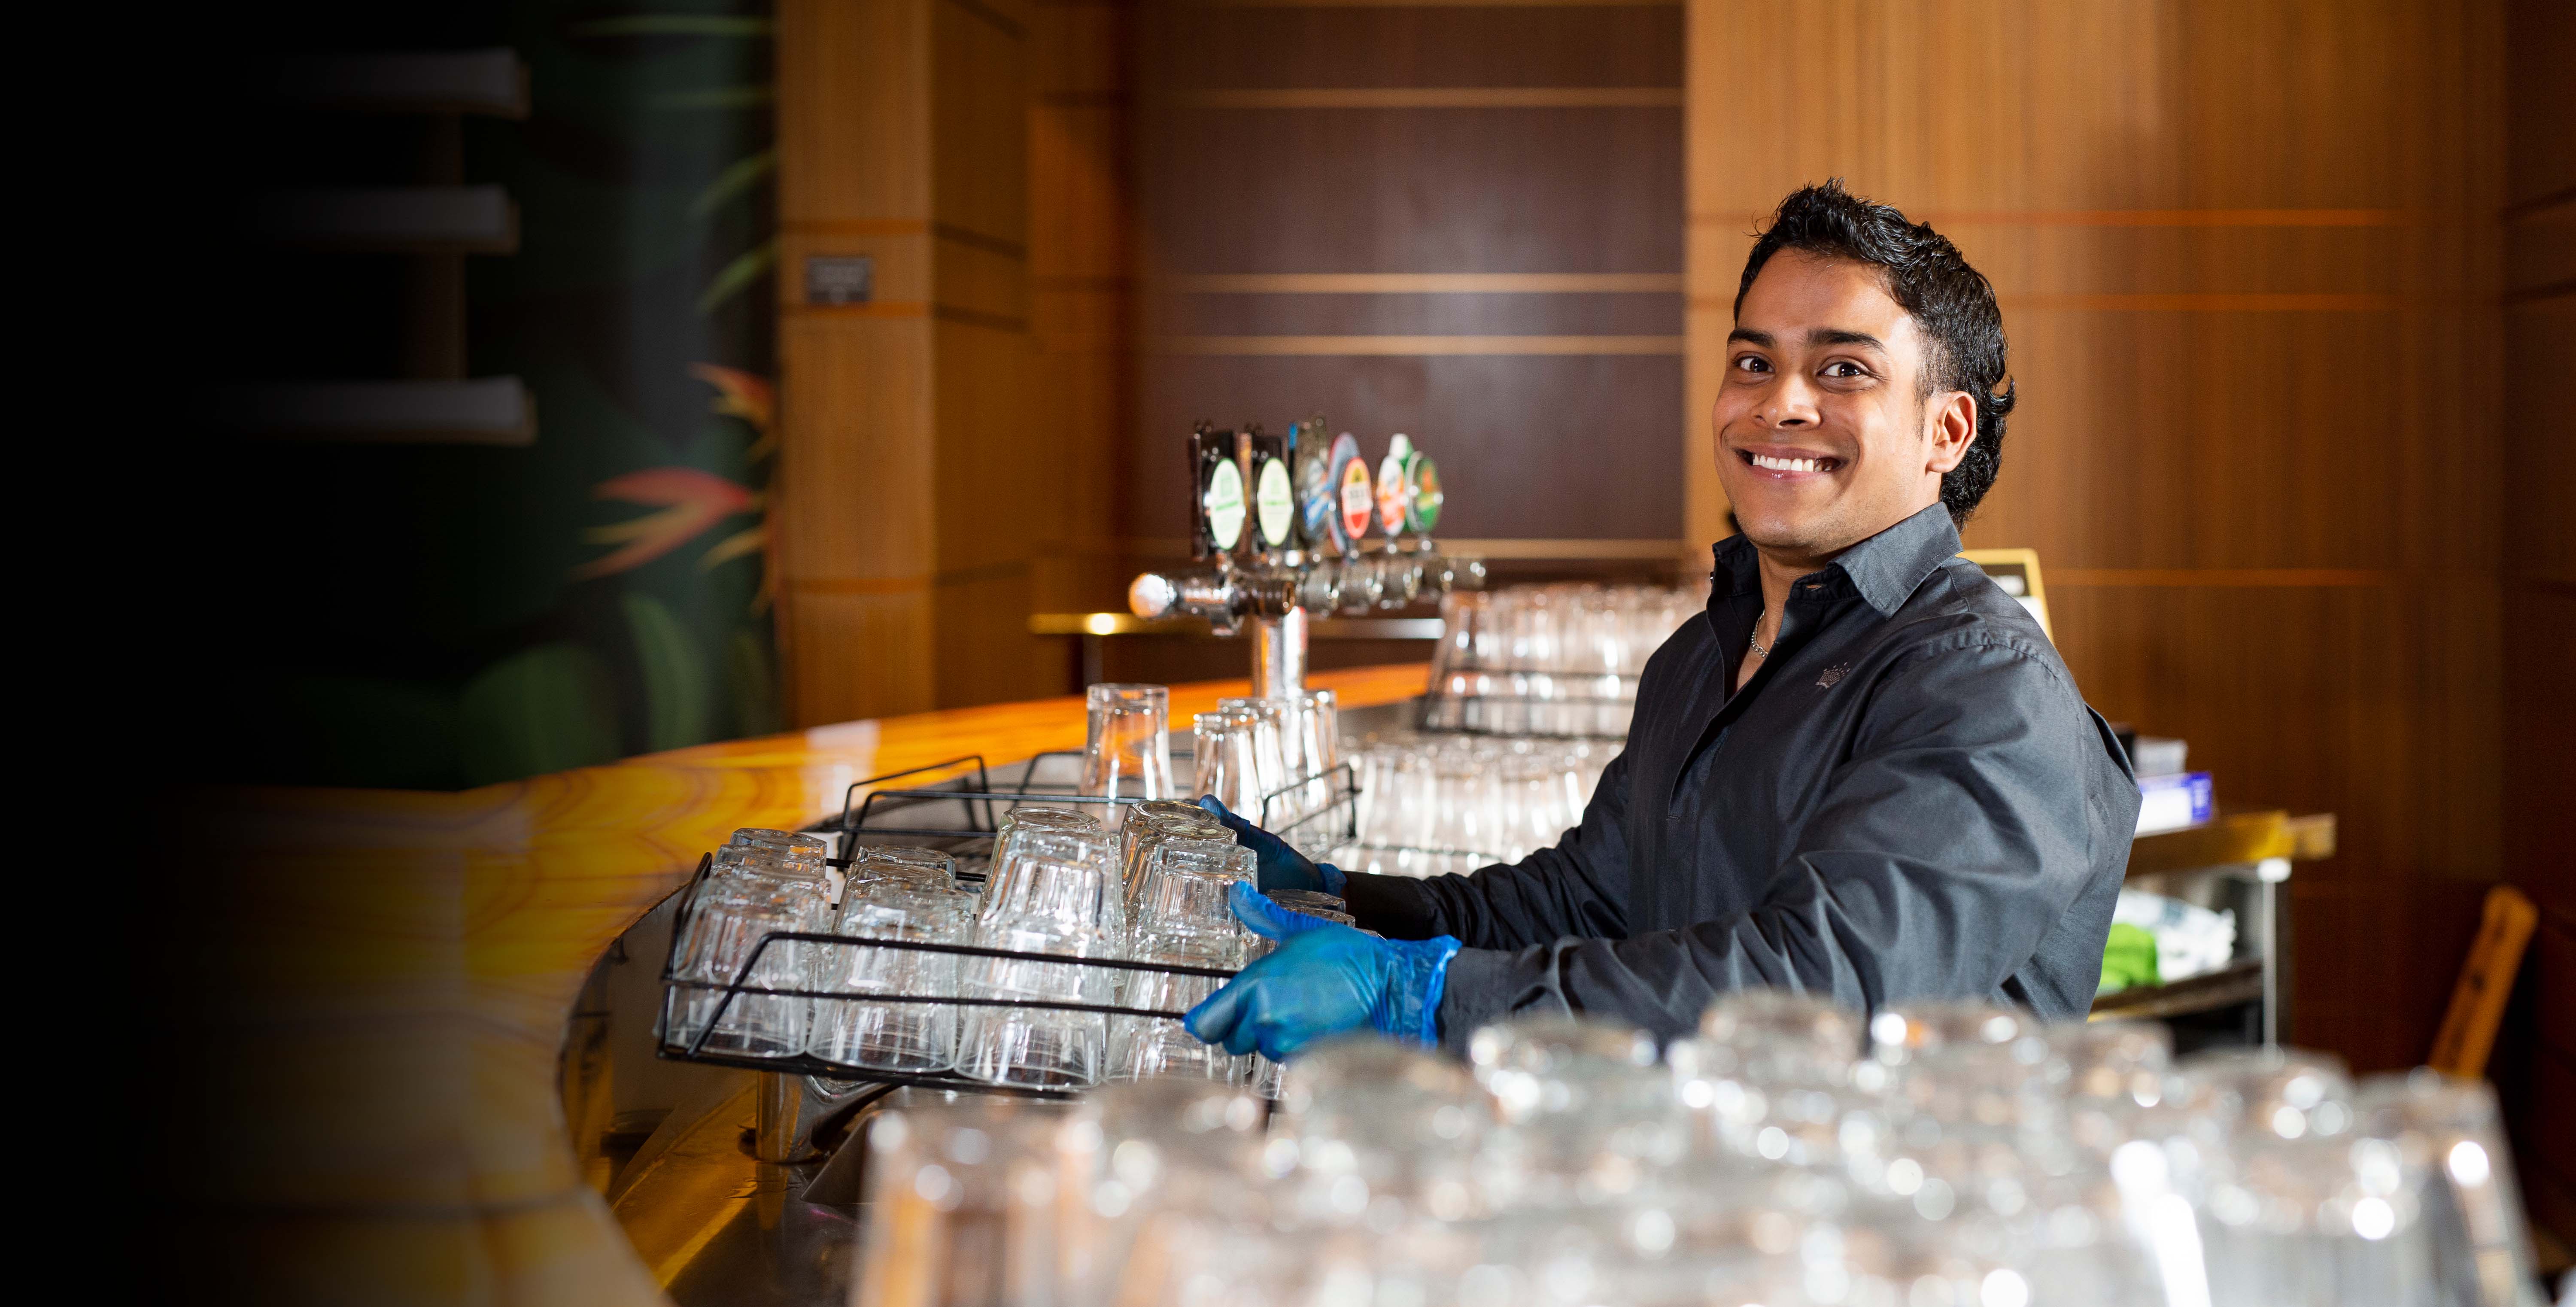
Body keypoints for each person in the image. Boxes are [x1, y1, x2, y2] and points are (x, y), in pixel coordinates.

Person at [1185, 180, 2140, 1061]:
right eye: (1754, 361)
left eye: (1844, 369)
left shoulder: (1981, 683)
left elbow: (1821, 987)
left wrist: (1429, 998)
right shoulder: (1701, 653)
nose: (1782, 404)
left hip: (1899, 1233)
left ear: (1947, 432)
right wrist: (1343, 902)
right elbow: (1586, 902)